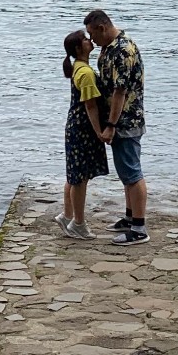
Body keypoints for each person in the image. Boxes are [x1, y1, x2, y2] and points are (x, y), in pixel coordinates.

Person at [84, 7, 147, 243]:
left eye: (93, 34)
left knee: (132, 172)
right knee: (125, 172)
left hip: (126, 120)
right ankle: (131, 217)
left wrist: (110, 124)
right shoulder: (109, 48)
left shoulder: (122, 51)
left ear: (102, 27)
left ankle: (139, 228)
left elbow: (120, 91)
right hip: (120, 118)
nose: (91, 40)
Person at [59, 27, 107, 239]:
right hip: (83, 128)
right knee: (80, 178)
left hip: (74, 126)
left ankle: (68, 216)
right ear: (79, 48)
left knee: (74, 174)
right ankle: (78, 223)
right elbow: (91, 106)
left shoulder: (79, 67)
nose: (90, 41)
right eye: (86, 39)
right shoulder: (85, 73)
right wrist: (99, 132)